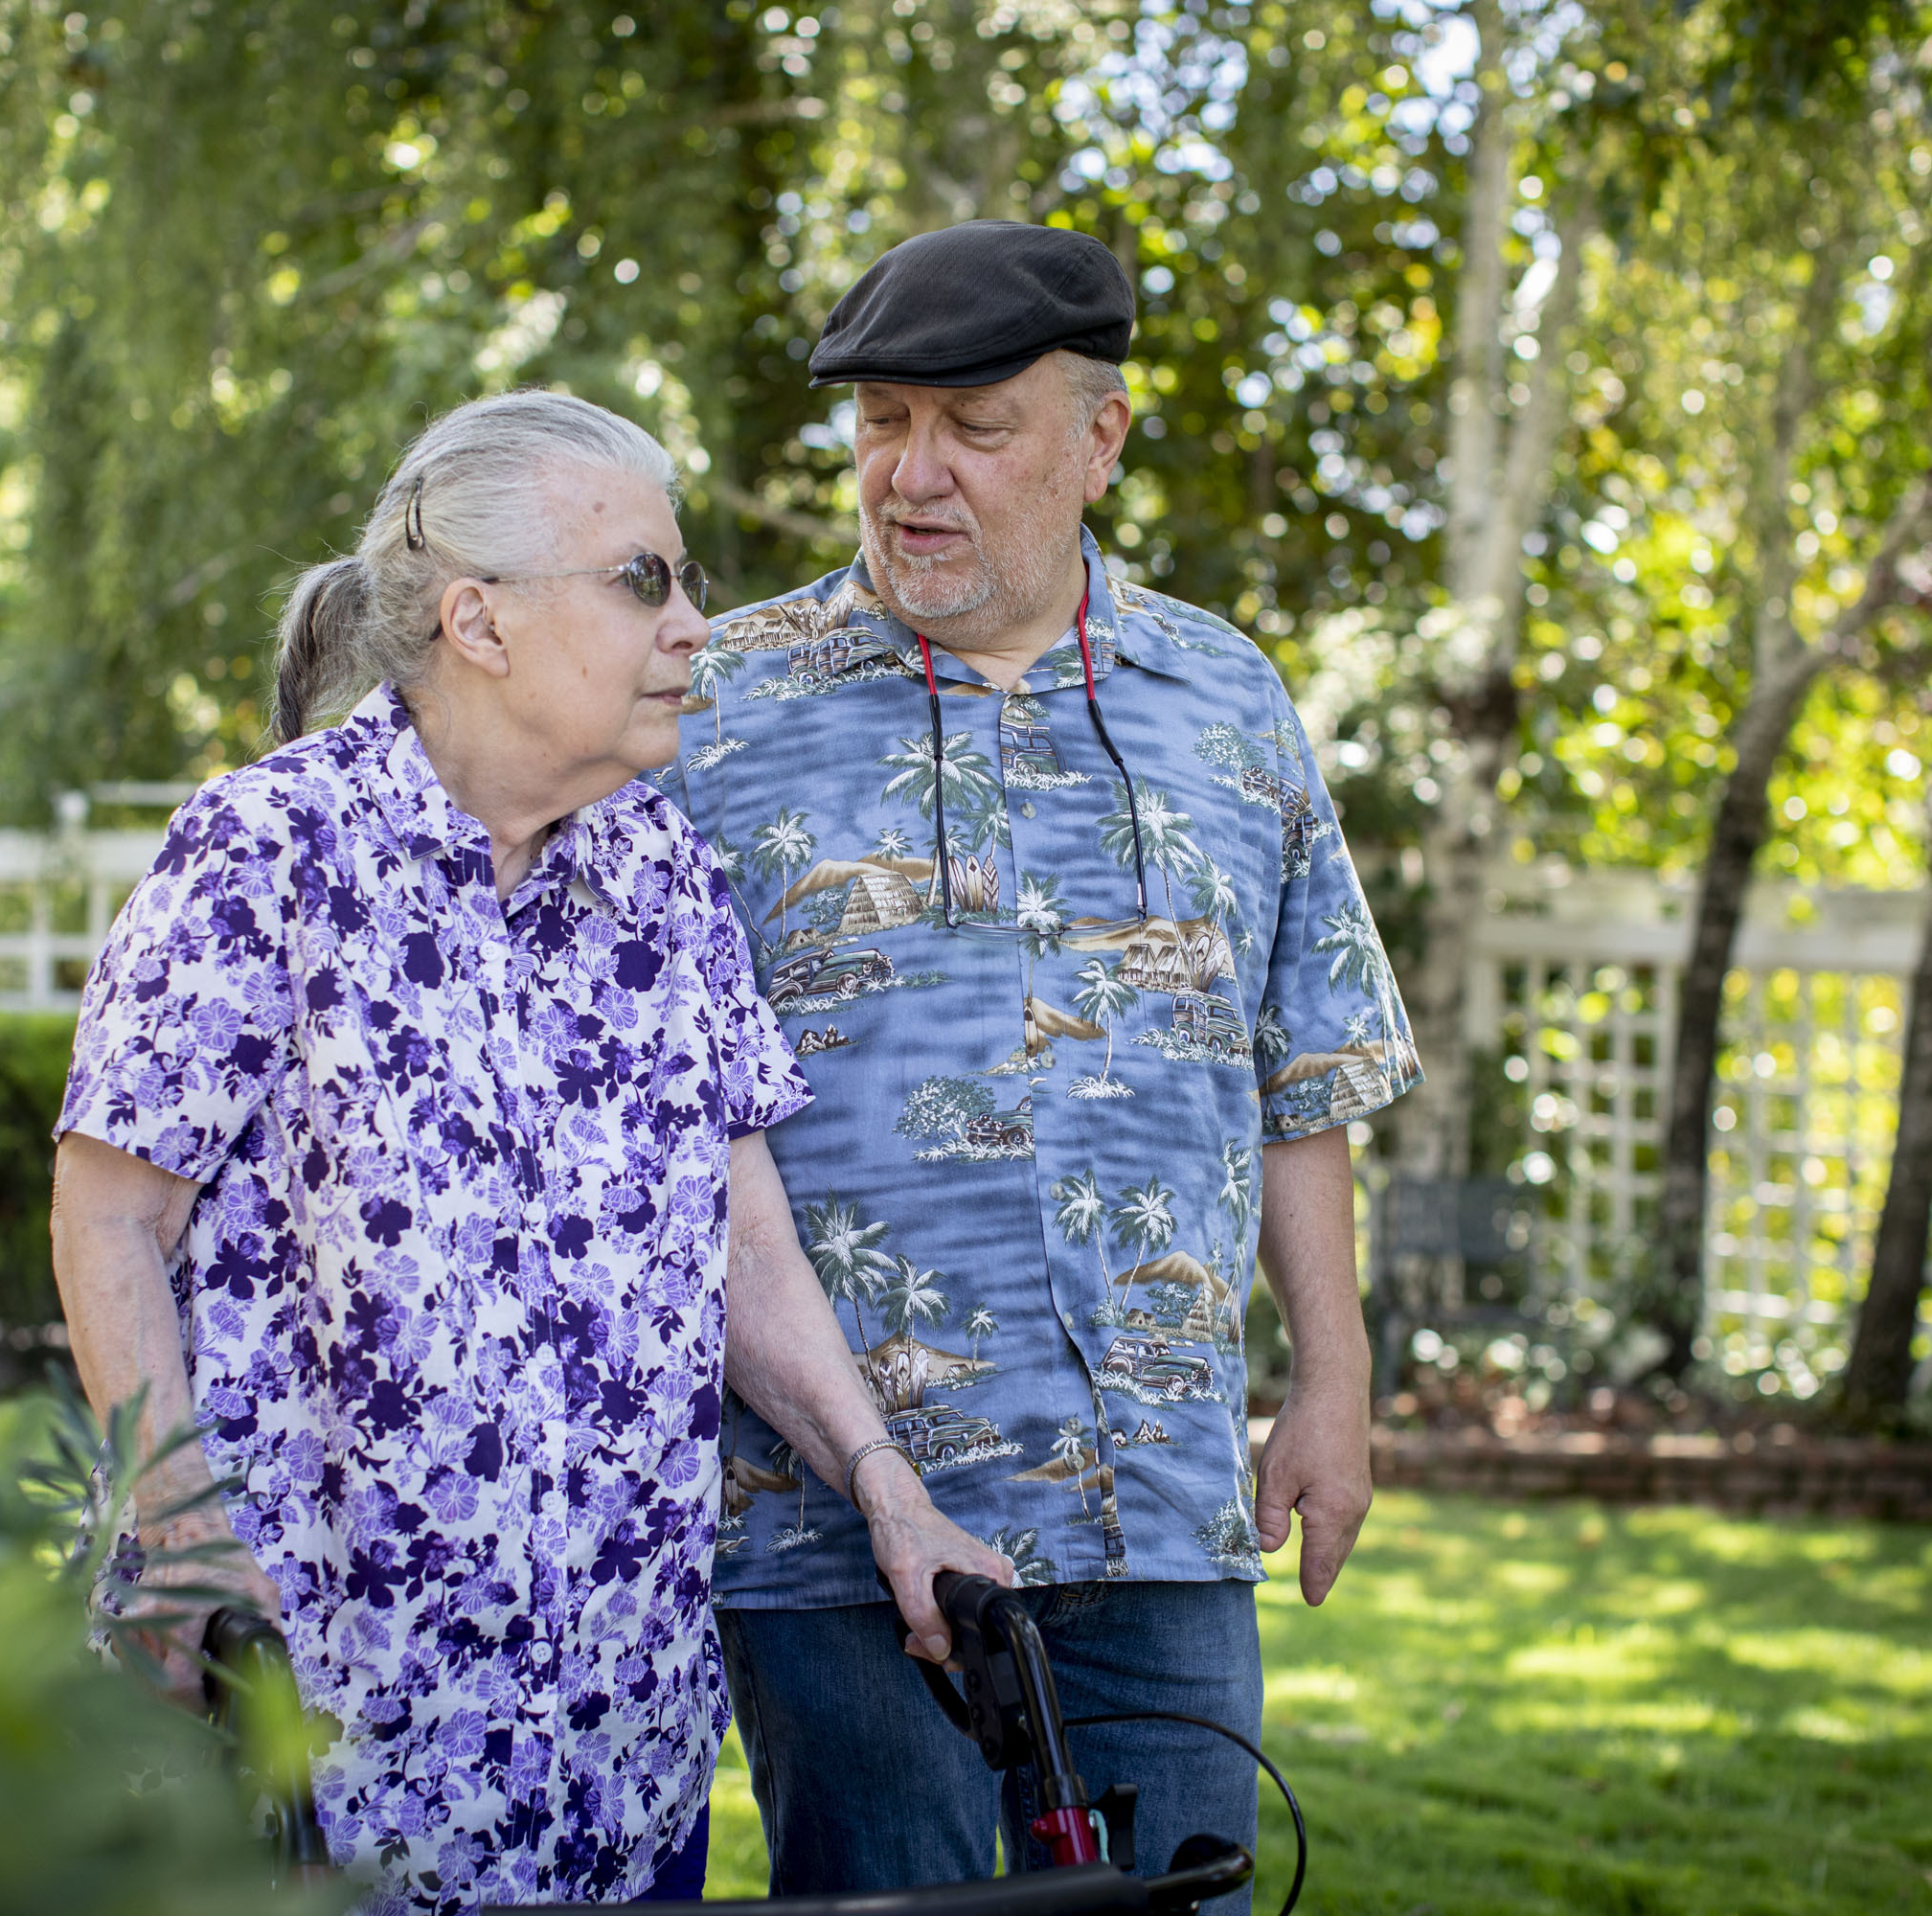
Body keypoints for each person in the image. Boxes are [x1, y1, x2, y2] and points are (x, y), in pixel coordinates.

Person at [50, 390, 1005, 1912]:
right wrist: (172, 1531)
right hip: (311, 1757)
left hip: (613, 1778)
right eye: (646, 580)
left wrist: (889, 1490)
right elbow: (107, 1218)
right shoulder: (265, 852)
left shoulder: (667, 878)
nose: (695, 624)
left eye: (683, 580)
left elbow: (744, 1245)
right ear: (479, 624)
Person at [656, 222, 1421, 1905]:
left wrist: (1334, 1380)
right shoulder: (710, 708)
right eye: (881, 425)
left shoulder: (1228, 701)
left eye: (973, 428)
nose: (911, 476)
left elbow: (1306, 1075)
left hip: (1161, 1504)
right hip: (835, 1526)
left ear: (1100, 440)